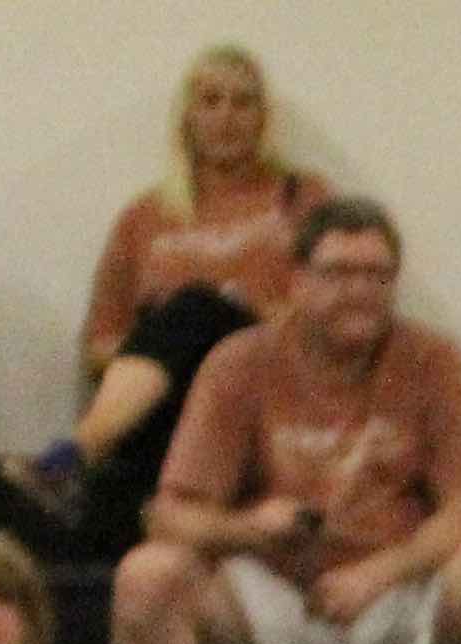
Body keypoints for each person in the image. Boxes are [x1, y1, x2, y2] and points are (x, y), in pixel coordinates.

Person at [117, 201, 461, 644]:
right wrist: (249, 529)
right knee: (147, 577)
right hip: (272, 593)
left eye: (377, 276)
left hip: (402, 589)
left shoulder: (434, 360)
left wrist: (382, 573)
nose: (360, 292)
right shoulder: (239, 362)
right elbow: (169, 518)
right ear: (297, 281)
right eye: (339, 274)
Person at [23, 46, 326, 545]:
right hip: (172, 405)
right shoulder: (144, 217)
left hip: (268, 381)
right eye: (211, 101)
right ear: (187, 116)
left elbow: (330, 309)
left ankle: (76, 456)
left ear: (264, 118)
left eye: (242, 103)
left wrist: (231, 310)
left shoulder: (303, 199)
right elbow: (100, 344)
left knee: (198, 306)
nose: (226, 117)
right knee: (187, 316)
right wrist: (163, 347)